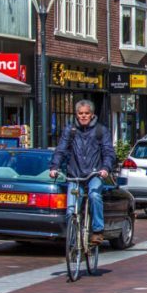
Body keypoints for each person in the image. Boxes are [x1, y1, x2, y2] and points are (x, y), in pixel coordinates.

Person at [49, 100, 115, 246]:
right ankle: (74, 243)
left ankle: (98, 231)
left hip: (94, 174)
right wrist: (54, 167)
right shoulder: (70, 130)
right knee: (70, 210)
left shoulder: (100, 130)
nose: (83, 116)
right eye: (80, 113)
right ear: (76, 115)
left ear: (92, 115)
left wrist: (105, 168)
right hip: (75, 174)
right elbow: (60, 150)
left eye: (86, 113)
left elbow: (108, 152)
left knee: (94, 195)